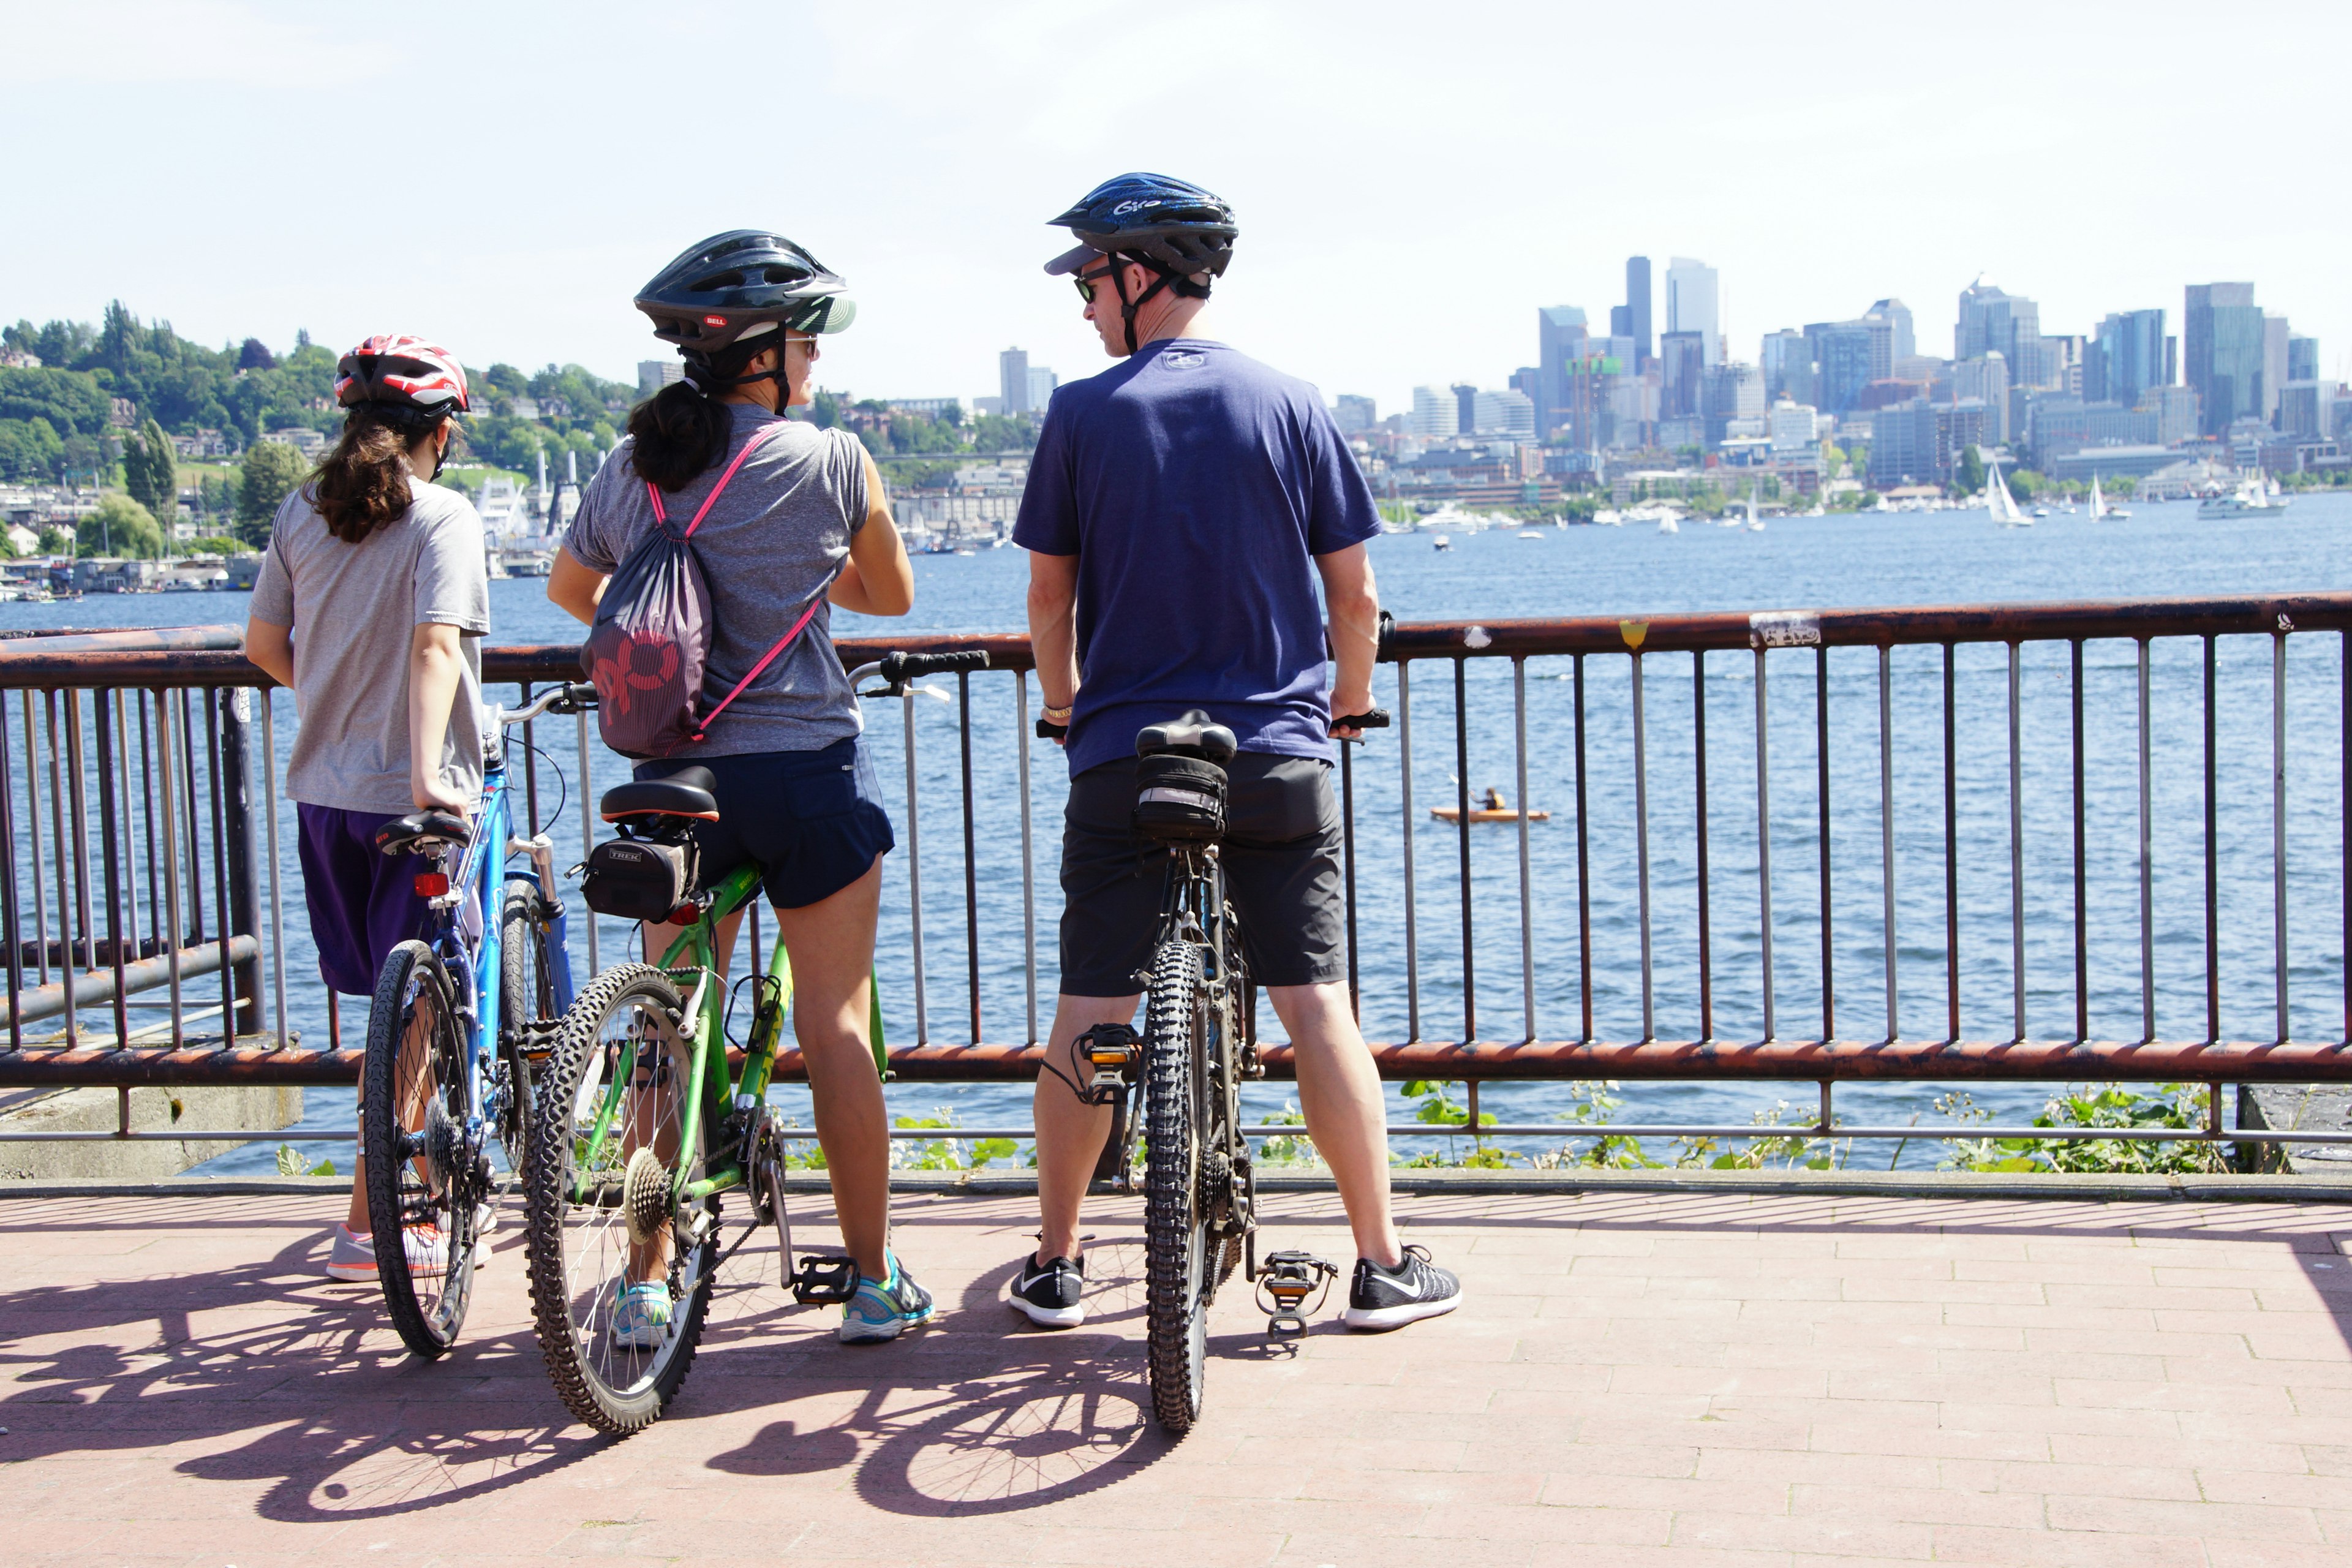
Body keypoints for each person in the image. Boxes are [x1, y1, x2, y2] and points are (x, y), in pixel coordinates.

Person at [1010, 174, 1463, 1332]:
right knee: (1319, 1009)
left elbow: (1048, 598)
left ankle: (1057, 1264)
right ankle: (1382, 1261)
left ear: (1141, 277)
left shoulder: (1080, 415)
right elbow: (1353, 596)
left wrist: (1066, 708)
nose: (1080, 304)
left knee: (1088, 1015)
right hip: (1276, 754)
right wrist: (1347, 703)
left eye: (1088, 279)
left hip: (1123, 757)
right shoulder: (1295, 404)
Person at [548, 229, 925, 1346]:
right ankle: (869, 1281)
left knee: (666, 1025)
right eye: (805, 340)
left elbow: (579, 594)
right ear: (767, 357)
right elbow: (887, 595)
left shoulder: (637, 469)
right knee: (838, 1024)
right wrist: (791, 588)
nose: (815, 358)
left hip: (675, 778)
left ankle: (650, 1280)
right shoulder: (832, 460)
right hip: (804, 774)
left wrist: (686, 629)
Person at [241, 335, 488, 1283]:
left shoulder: (304, 510)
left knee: (390, 1013)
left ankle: (381, 1204)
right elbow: (436, 649)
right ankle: (377, 1221)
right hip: (410, 799)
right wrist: (427, 773)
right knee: (422, 1016)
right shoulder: (444, 517)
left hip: (325, 795)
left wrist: (335, 703)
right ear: (442, 432)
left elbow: (265, 642)